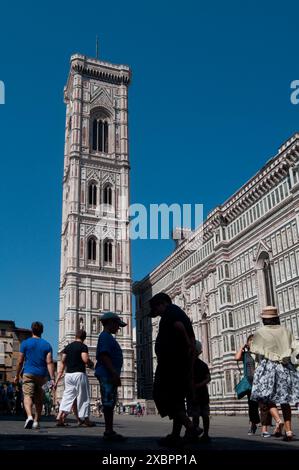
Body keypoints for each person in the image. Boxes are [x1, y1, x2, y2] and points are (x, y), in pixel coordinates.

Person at [149, 292, 198, 447]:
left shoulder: (170, 312)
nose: (157, 314)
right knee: (177, 398)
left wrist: (187, 345)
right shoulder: (177, 312)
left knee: (162, 395)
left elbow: (179, 327)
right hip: (179, 363)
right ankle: (175, 435)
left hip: (171, 364)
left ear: (162, 303)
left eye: (156, 310)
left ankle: (191, 427)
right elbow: (190, 335)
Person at [251, 306, 299, 441]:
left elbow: (255, 351)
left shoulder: (260, 332)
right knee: (285, 401)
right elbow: (295, 346)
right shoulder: (286, 330)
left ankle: (278, 420)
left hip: (268, 367)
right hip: (285, 366)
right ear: (276, 317)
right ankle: (289, 431)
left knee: (267, 397)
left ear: (264, 319)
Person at [14, 321, 55, 429]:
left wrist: (17, 375)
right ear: (42, 331)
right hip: (42, 375)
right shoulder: (47, 345)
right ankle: (36, 421)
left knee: (27, 395)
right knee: (39, 398)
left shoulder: (25, 343)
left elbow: (20, 361)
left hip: (28, 373)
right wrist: (52, 378)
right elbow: (49, 362)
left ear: (32, 330)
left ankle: (29, 416)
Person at [95, 312, 127, 441]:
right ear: (110, 323)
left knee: (110, 402)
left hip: (109, 374)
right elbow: (104, 355)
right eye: (117, 325)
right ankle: (108, 431)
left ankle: (110, 430)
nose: (118, 328)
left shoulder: (108, 337)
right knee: (108, 402)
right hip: (107, 374)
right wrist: (114, 372)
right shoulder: (105, 337)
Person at [55, 329, 94, 427]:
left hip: (68, 375)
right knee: (83, 397)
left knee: (67, 396)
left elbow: (63, 360)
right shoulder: (83, 346)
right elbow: (85, 359)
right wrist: (91, 363)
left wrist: (59, 375)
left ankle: (60, 416)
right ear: (84, 338)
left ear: (76, 336)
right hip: (79, 374)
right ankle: (85, 419)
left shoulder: (68, 347)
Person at [235, 334, 262, 435]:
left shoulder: (259, 353)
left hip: (259, 381)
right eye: (250, 341)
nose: (252, 342)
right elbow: (237, 357)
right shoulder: (246, 354)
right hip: (249, 383)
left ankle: (260, 424)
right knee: (252, 405)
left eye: (254, 341)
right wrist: (242, 347)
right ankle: (252, 424)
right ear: (248, 343)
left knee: (262, 404)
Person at [187, 340, 211, 443]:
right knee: (203, 415)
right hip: (201, 394)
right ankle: (203, 434)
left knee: (198, 415)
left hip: (196, 394)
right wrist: (201, 384)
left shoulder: (191, 365)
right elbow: (208, 378)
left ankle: (198, 434)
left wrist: (197, 385)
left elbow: (208, 378)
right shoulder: (202, 364)